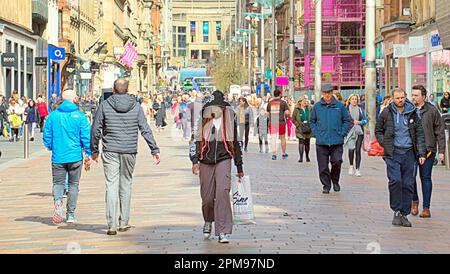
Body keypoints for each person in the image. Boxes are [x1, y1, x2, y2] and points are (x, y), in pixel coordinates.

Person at [91, 78, 161, 236]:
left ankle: (111, 224)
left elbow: (95, 129)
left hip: (110, 150)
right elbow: (145, 128)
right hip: (129, 150)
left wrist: (94, 150)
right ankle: (124, 222)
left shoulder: (105, 105)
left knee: (111, 185)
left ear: (114, 89)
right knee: (126, 184)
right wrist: (154, 149)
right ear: (127, 89)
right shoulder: (135, 106)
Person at [190, 90, 244, 244]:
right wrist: (194, 161)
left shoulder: (230, 119)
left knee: (222, 192)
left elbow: (237, 143)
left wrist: (239, 166)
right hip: (205, 160)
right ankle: (208, 219)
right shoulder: (203, 120)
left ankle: (223, 230)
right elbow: (194, 141)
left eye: (218, 107)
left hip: (223, 158)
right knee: (207, 198)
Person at [375, 88, 426, 227]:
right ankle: (396, 211)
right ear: (393, 98)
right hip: (393, 153)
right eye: (397, 98)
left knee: (408, 184)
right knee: (395, 181)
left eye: (402, 97)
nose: (400, 100)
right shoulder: (386, 112)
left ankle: (404, 213)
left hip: (409, 153)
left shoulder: (413, 113)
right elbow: (378, 129)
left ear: (405, 97)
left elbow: (420, 134)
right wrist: (384, 143)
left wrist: (421, 153)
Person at [43, 89, 92, 224]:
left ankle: (58, 202)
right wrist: (88, 153)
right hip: (75, 156)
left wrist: (51, 146)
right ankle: (70, 214)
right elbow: (86, 137)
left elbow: (47, 135)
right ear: (74, 99)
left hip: (58, 156)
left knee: (58, 183)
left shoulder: (53, 116)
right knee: (73, 185)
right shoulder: (80, 116)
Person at [410, 85, 446, 218]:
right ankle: (414, 201)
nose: (413, 97)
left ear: (424, 97)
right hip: (411, 150)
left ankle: (426, 207)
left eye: (416, 95)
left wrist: (441, 151)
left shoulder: (432, 111)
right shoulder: (409, 110)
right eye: (412, 95)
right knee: (410, 177)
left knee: (425, 178)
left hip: (428, 150)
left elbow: (440, 132)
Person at [310, 84, 352, 194]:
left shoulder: (340, 106)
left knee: (337, 161)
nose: (327, 95)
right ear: (322, 94)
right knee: (323, 166)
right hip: (322, 142)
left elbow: (347, 120)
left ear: (332, 93)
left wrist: (342, 133)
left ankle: (335, 180)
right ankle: (326, 185)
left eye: (329, 93)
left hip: (336, 141)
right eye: (325, 93)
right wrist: (317, 134)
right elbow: (312, 121)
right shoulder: (317, 107)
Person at [344, 94, 367, 177]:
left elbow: (365, 120)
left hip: (359, 132)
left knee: (357, 150)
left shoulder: (361, 109)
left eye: (355, 99)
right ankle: (351, 166)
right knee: (351, 149)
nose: (354, 101)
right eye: (352, 99)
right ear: (349, 100)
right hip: (349, 132)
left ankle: (357, 169)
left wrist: (359, 122)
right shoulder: (346, 109)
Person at [267, 89, 290, 160]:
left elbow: (268, 114)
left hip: (273, 122)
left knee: (273, 138)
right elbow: (287, 113)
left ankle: (274, 154)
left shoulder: (270, 103)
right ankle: (283, 153)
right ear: (280, 94)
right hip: (281, 122)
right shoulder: (283, 102)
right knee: (282, 138)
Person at [292, 97, 312, 163]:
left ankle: (307, 156)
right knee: (301, 142)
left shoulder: (309, 108)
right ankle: (301, 157)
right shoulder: (297, 109)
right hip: (300, 128)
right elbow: (293, 119)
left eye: (306, 101)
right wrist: (297, 124)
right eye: (304, 101)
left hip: (308, 128)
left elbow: (313, 116)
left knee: (307, 143)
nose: (305, 102)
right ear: (300, 102)